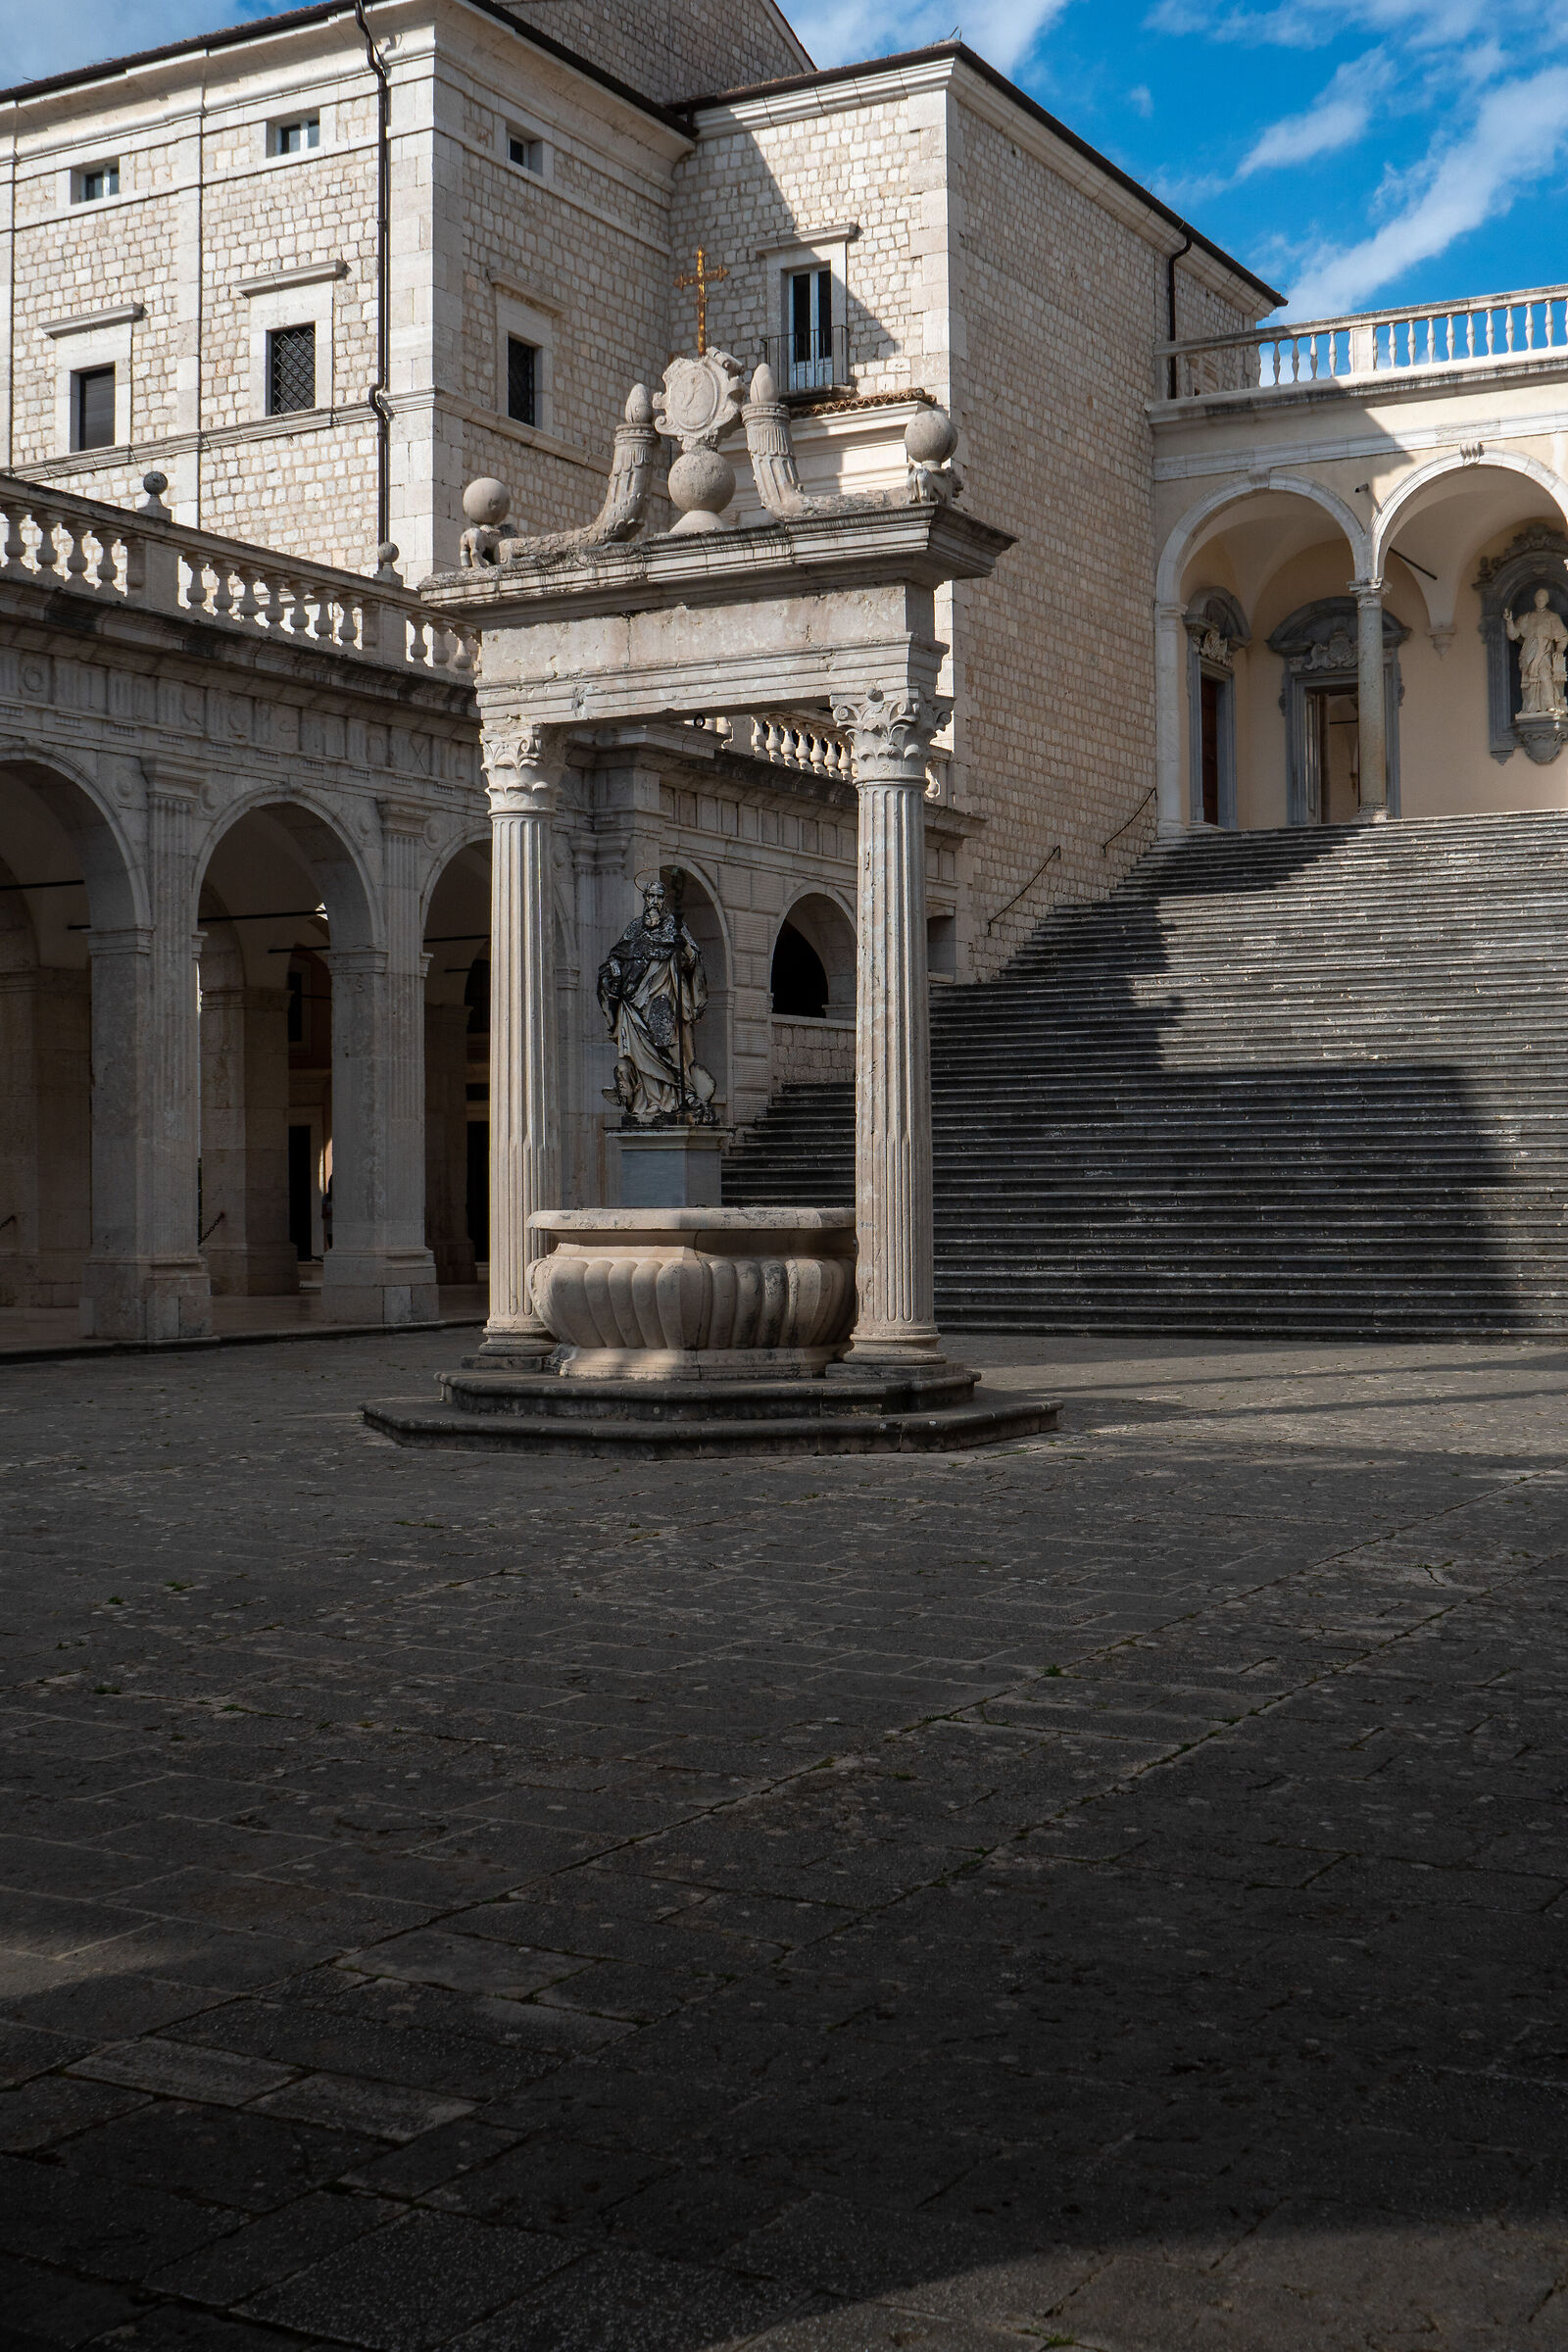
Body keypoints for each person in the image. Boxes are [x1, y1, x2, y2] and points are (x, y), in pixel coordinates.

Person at [597, 877, 717, 1124]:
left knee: (671, 1049)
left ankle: (675, 1098)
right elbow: (617, 956)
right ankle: (647, 1102)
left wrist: (682, 946)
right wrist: (614, 970)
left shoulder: (674, 926)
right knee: (639, 1055)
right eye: (650, 897)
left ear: (664, 901)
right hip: (634, 1001)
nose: (654, 902)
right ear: (645, 899)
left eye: (659, 897)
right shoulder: (634, 929)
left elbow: (692, 960)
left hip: (664, 997)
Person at [1504, 587, 1568, 718]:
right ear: (1534, 600)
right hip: (1528, 653)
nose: (1540, 600)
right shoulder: (1526, 617)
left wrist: (1559, 650)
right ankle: (1529, 708)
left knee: (1545, 676)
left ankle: (1550, 704)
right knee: (1529, 681)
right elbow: (1513, 635)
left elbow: (1562, 637)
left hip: (1544, 652)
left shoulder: (1552, 617)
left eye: (1542, 598)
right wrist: (1509, 621)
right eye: (1538, 598)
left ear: (1547, 600)